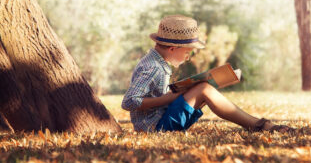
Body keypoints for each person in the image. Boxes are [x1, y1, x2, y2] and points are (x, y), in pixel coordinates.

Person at [122, 14, 290, 132]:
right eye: (188, 52)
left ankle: (257, 124)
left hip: (161, 119)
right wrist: (168, 98)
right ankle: (258, 125)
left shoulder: (158, 63)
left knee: (203, 86)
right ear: (173, 49)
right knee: (204, 89)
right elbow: (129, 102)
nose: (188, 58)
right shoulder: (152, 67)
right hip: (155, 127)